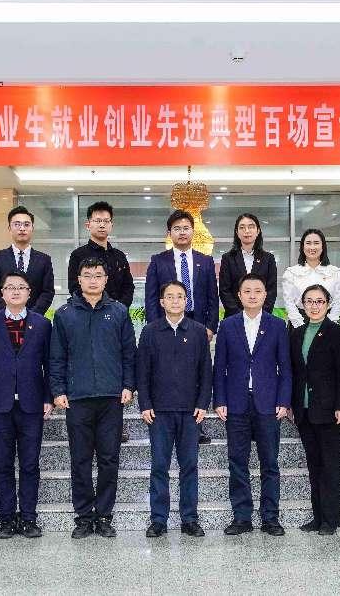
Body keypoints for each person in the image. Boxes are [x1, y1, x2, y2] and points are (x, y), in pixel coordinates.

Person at [50, 257, 136, 539]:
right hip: (78, 398)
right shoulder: (64, 314)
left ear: (106, 279)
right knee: (81, 460)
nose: (93, 280)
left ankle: (104, 515)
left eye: (98, 275)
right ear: (79, 279)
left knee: (109, 459)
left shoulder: (119, 311)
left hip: (112, 398)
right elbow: (56, 357)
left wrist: (128, 385)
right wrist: (58, 390)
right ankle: (84, 517)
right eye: (87, 275)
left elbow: (129, 353)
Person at [0, 271, 54, 539]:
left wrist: (48, 397)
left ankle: (28, 518)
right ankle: (6, 519)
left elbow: (50, 364)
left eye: (21, 287)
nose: (16, 291)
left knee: (30, 464)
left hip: (32, 405)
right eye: (10, 287)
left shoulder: (42, 324)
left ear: (29, 293)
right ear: (2, 293)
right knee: (3, 463)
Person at [213, 273, 292, 536]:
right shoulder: (228, 325)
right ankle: (242, 517)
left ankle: (270, 518)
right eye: (247, 291)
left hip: (268, 404)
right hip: (236, 403)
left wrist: (283, 400)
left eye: (257, 291)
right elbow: (219, 367)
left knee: (270, 463)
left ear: (265, 295)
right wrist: (219, 400)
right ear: (239, 295)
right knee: (238, 462)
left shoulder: (277, 325)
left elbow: (286, 368)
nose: (252, 295)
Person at [137, 280, 212, 538]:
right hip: (159, 413)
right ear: (162, 302)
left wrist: (203, 404)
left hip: (191, 412)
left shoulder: (198, 331)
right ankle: (158, 520)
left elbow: (206, 371)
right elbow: (142, 371)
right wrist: (145, 404)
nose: (175, 300)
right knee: (159, 466)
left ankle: (189, 519)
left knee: (189, 466)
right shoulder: (150, 332)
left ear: (186, 301)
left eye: (180, 296)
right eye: (170, 296)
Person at [145, 209, 219, 444]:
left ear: (193, 231)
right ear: (170, 233)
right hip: (166, 325)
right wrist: (155, 328)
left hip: (198, 325)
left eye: (186, 228)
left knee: (197, 372)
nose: (182, 232)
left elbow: (212, 297)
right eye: (177, 228)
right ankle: (164, 423)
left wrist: (210, 326)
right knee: (168, 372)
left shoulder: (205, 261)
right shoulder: (158, 261)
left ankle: (197, 425)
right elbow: (151, 298)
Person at [67, 200, 135, 443]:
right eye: (97, 220)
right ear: (88, 224)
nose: (102, 224)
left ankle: (116, 426)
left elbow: (128, 288)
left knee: (115, 366)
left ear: (112, 224)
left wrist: (116, 310)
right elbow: (73, 288)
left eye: (106, 221)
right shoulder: (78, 255)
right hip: (85, 319)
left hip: (113, 321)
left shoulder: (119, 256)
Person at [289, 284, 340, 536]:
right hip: (304, 411)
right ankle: (317, 518)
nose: (314, 306)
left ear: (327, 304)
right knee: (314, 466)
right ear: (302, 305)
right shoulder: (296, 334)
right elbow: (294, 372)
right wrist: (292, 404)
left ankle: (331, 519)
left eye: (319, 301)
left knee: (330, 467)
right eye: (309, 301)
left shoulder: (338, 334)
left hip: (329, 411)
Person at [0, 205, 55, 315]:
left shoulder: (44, 260)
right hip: (4, 319)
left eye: (26, 224)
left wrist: (31, 316)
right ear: (9, 228)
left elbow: (47, 292)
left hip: (35, 319)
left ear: (32, 228)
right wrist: (10, 314)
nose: (22, 228)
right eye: (17, 224)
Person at [219, 213, 278, 318]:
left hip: (262, 318)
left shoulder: (268, 258)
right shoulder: (228, 258)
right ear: (237, 232)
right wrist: (240, 316)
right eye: (242, 227)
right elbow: (225, 291)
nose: (246, 231)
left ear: (258, 231)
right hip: (234, 318)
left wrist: (259, 315)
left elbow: (271, 291)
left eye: (251, 227)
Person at [282, 228, 340, 329]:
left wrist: (329, 325)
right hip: (299, 322)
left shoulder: (335, 272)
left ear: (323, 246)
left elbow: (338, 302)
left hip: (327, 323)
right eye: (308, 243)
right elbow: (289, 302)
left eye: (316, 243)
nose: (312, 247)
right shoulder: (291, 273)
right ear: (302, 247)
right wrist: (300, 325)